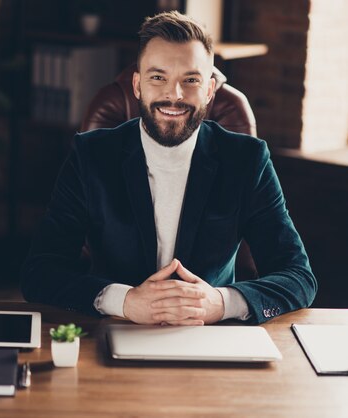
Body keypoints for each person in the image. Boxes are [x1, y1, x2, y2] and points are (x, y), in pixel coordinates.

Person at [20, 11, 316, 325]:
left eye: (190, 80)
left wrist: (220, 302)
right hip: (116, 329)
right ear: (137, 85)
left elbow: (298, 278)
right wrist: (124, 301)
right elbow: (40, 272)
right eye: (158, 77)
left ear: (210, 90)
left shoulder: (247, 160)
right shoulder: (91, 155)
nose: (173, 95)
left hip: (211, 334)